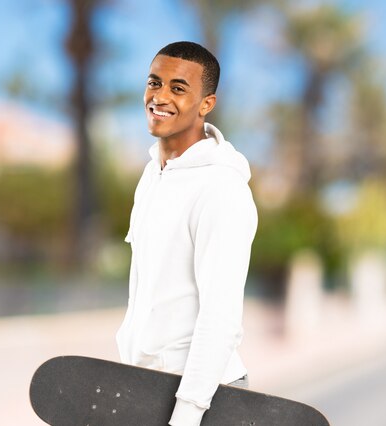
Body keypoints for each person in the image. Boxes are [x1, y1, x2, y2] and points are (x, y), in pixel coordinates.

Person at [116, 41, 258, 426]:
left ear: (206, 104)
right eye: (154, 83)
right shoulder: (152, 174)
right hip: (148, 388)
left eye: (178, 88)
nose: (159, 96)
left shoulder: (221, 189)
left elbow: (221, 316)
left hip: (202, 401)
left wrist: (188, 413)